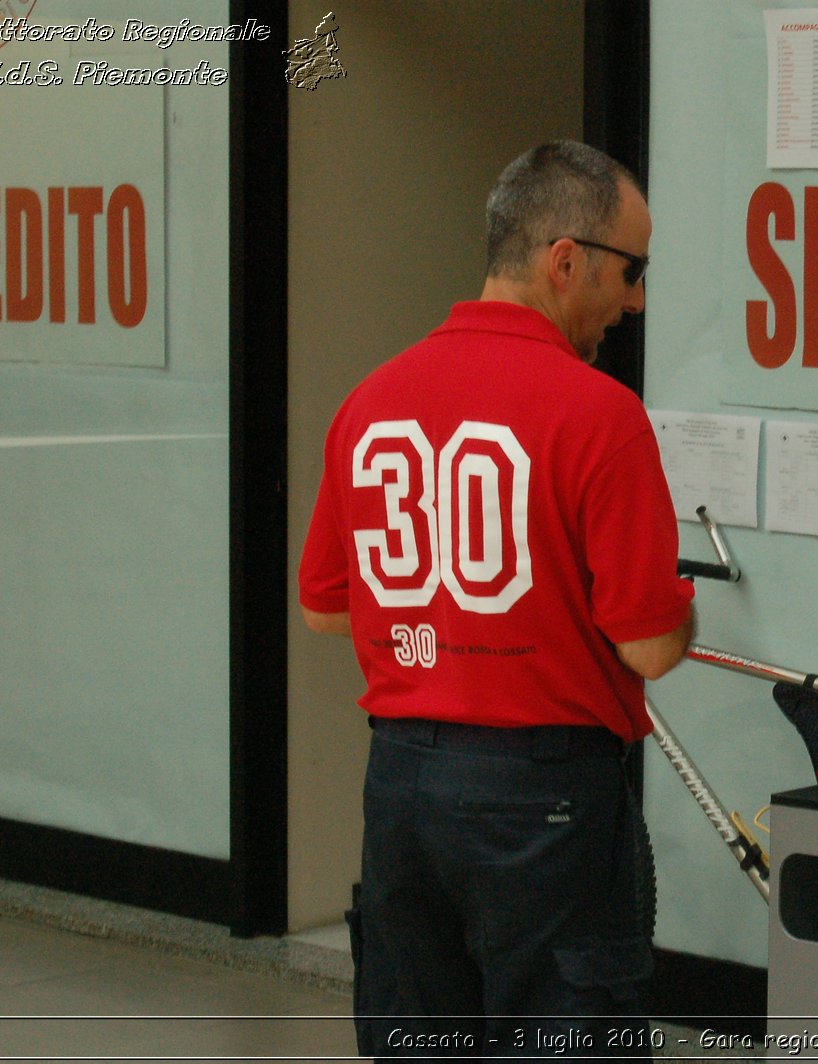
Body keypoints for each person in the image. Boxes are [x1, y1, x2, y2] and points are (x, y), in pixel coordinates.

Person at [298, 140, 695, 1060]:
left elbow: (323, 609)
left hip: (402, 785)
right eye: (630, 273)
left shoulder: (371, 399)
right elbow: (650, 648)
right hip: (545, 799)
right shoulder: (598, 413)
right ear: (565, 261)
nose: (634, 301)